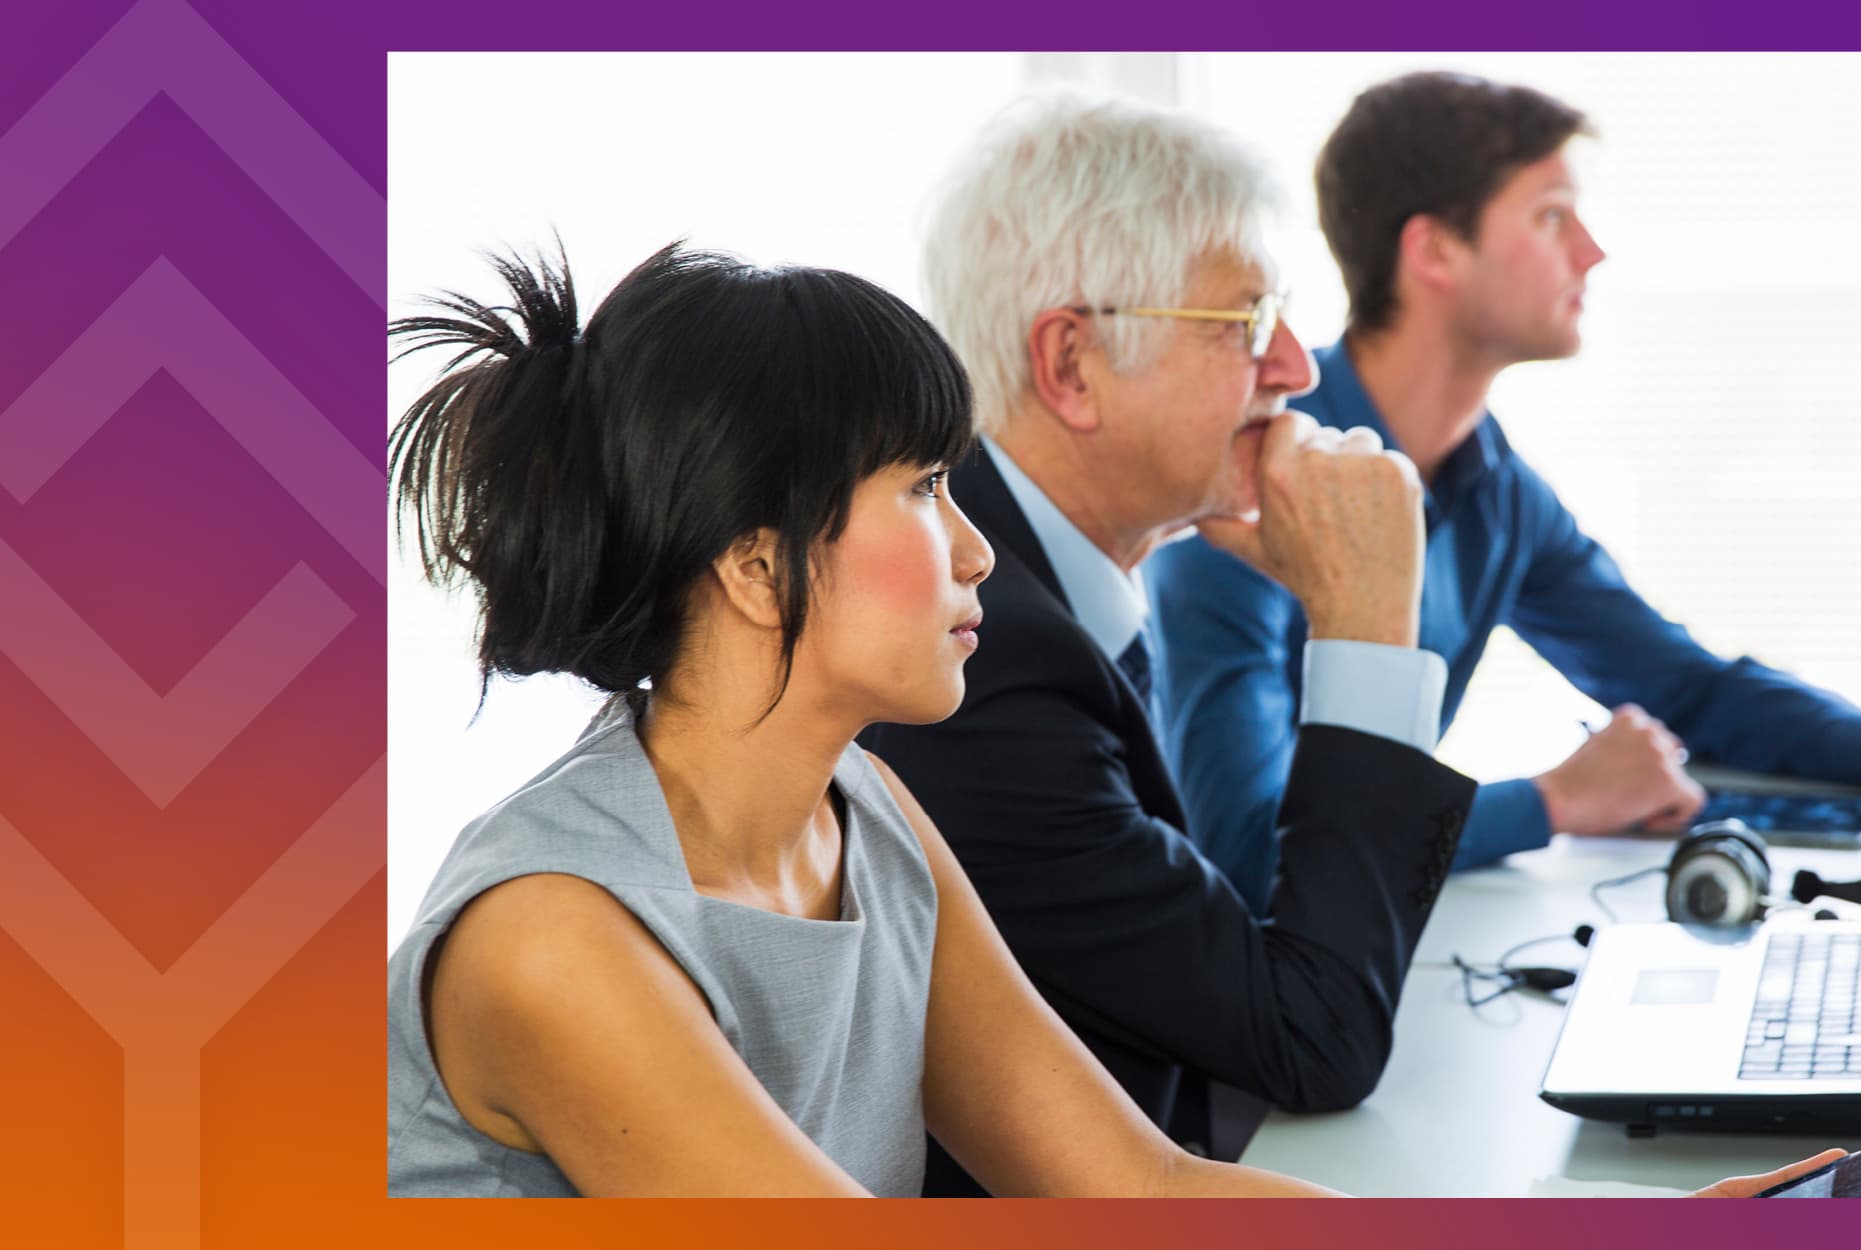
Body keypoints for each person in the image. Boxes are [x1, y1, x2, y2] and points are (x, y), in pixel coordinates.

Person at [859, 92, 1834, 1197]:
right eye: (1243, 322)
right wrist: (1369, 620)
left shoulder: (1049, 596)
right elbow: (1312, 1040)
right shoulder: (988, 660)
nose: (1294, 367)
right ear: (1073, 364)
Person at [385, 241, 1348, 1197]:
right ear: (758, 567)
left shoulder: (866, 808)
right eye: (925, 489)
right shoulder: (551, 938)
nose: (977, 555)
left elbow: (1142, 1186)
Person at [1147, 71, 1861, 913]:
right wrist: (1552, 802)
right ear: (1435, 252)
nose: (1592, 251)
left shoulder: (1493, 487)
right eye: (1552, 216)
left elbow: (1685, 687)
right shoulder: (1242, 492)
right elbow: (1244, 851)